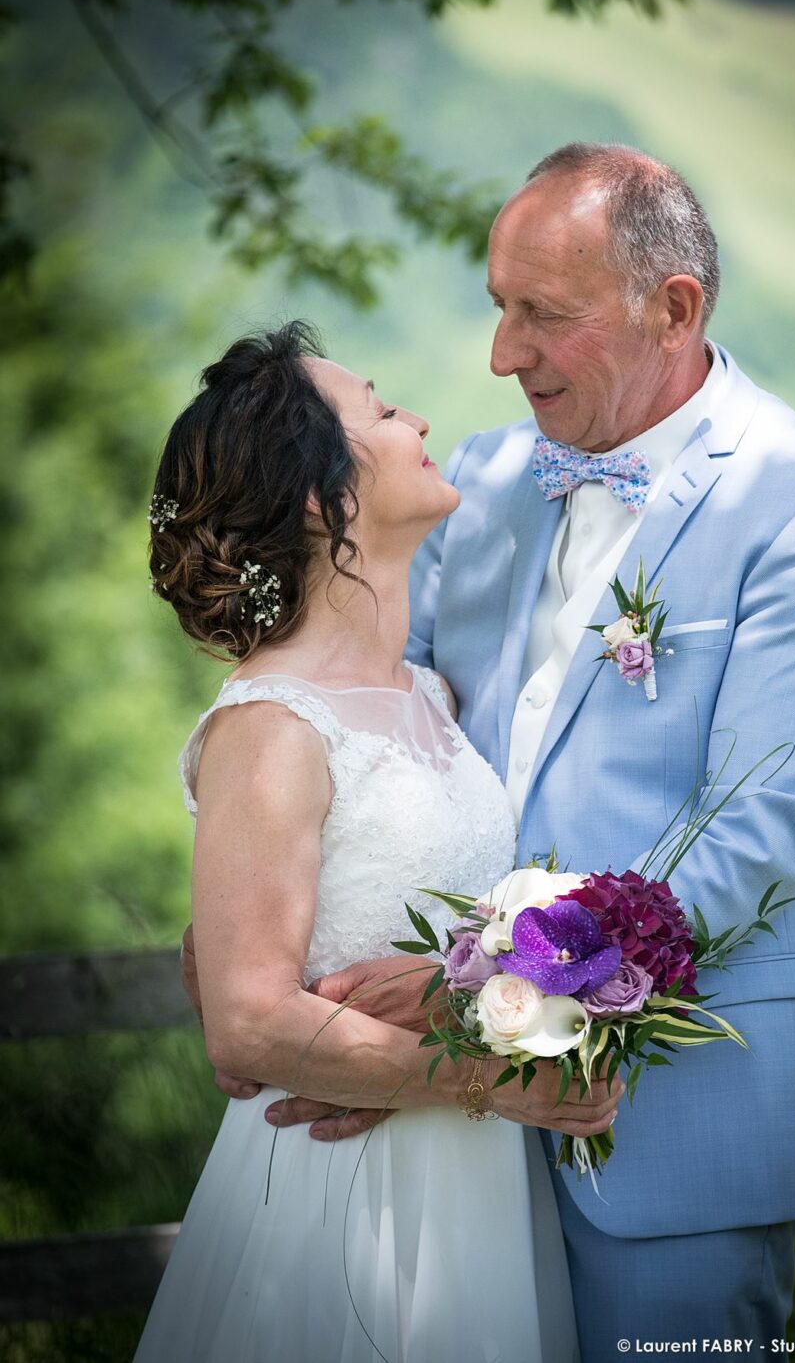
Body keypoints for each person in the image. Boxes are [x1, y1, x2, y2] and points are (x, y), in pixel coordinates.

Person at [202, 145, 795, 1359]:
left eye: (545, 315)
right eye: (497, 305)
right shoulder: (467, 484)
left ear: (672, 307)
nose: (500, 353)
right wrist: (266, 960)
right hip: (436, 1128)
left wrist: (485, 991)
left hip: (673, 1126)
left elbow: (753, 830)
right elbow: (353, 726)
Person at [134, 321, 620, 1362]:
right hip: (342, 1198)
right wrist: (503, 1081)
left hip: (479, 1196)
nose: (421, 421)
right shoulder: (272, 724)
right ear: (322, 499)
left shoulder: (427, 696)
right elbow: (247, 1024)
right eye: (385, 411)